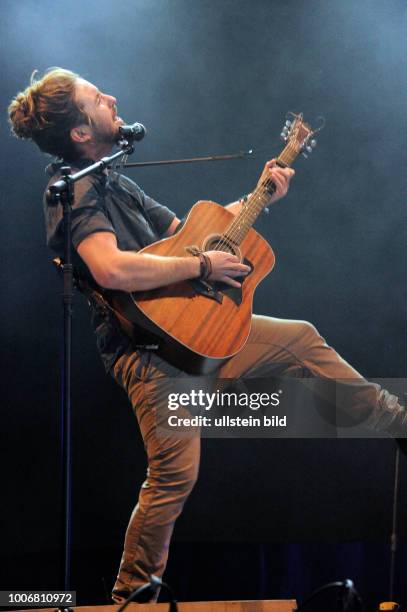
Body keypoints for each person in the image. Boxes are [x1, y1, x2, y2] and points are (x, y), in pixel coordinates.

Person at [8, 68, 407, 603]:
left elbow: (192, 236)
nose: (111, 97)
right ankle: (132, 599)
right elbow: (111, 270)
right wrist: (200, 266)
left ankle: (396, 420)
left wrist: (260, 194)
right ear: (80, 132)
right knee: (173, 479)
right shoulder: (73, 191)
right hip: (148, 353)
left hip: (198, 335)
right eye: (96, 98)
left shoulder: (117, 184)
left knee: (303, 339)